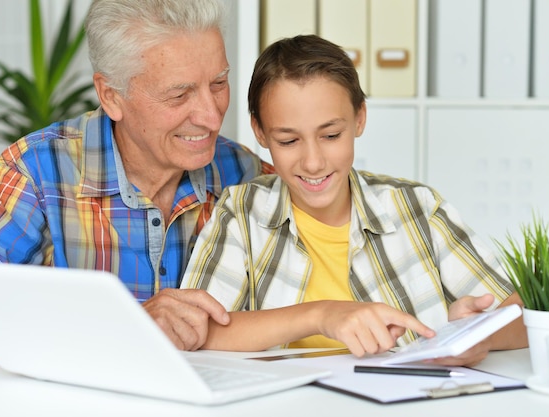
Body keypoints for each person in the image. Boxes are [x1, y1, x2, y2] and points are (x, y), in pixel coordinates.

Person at [181, 34, 527, 365]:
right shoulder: (240, 214)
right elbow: (199, 328)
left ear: (359, 118)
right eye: (288, 141)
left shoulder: (418, 208)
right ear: (259, 132)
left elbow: (519, 317)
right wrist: (322, 315)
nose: (313, 162)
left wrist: (475, 335)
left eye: (331, 135)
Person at [0, 0, 273, 357]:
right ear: (111, 96)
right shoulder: (37, 173)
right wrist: (127, 325)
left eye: (218, 83)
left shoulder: (247, 174)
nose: (212, 117)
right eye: (179, 94)